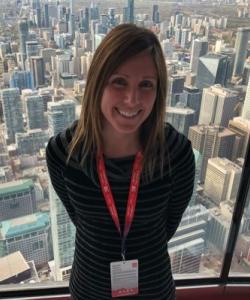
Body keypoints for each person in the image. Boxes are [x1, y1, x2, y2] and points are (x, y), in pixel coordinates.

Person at [46, 24, 195, 300]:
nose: (132, 99)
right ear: (97, 82)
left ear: (158, 89)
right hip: (89, 291)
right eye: (119, 81)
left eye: (146, 84)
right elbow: (81, 221)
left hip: (154, 292)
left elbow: (167, 227)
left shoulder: (176, 156)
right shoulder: (63, 154)